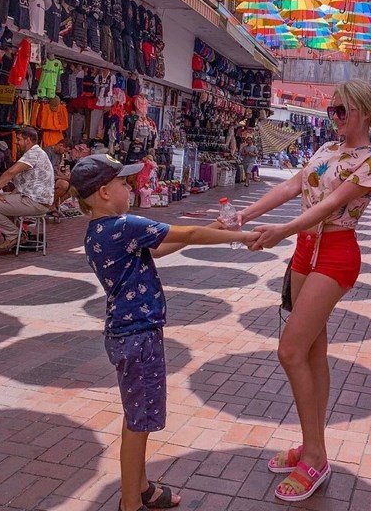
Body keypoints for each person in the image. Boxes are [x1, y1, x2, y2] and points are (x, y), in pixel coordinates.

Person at [70, 154, 259, 511]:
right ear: (104, 192)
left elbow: (165, 244)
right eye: (125, 183)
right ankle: (130, 503)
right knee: (137, 423)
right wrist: (241, 235)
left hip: (125, 332)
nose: (130, 188)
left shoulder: (99, 231)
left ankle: (141, 488)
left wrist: (216, 230)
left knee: (139, 415)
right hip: (137, 334)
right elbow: (184, 231)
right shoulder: (122, 225)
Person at [235, 80, 371, 502]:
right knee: (311, 351)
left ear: (360, 110)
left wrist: (282, 229)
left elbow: (330, 206)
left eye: (341, 111)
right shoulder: (326, 151)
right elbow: (292, 187)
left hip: (336, 253)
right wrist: (244, 214)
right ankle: (310, 446)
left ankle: (317, 456)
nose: (335, 118)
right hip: (306, 250)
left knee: (289, 351)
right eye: (332, 112)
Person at [0, 127, 54, 253]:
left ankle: (13, 234)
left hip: (35, 202)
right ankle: (19, 234)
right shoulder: (37, 153)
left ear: (28, 140)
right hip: (36, 200)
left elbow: (10, 172)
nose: (16, 142)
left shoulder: (33, 153)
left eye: (19, 139)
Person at [44, 139, 72, 214]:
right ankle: (50, 205)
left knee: (74, 188)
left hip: (54, 177)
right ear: (61, 145)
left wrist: (67, 177)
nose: (64, 153)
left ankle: (55, 205)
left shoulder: (59, 155)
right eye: (65, 150)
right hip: (46, 178)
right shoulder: (47, 152)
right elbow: (46, 172)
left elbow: (57, 170)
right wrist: (64, 178)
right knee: (64, 185)